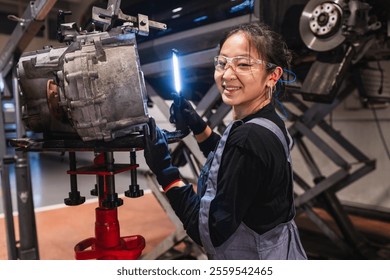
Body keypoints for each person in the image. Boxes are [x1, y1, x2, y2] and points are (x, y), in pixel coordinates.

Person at [143, 22, 307, 260]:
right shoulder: (268, 122)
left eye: (243, 64)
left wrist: (165, 171)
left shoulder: (249, 137)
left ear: (273, 75)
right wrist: (198, 125)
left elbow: (207, 233)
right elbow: (231, 160)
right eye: (222, 63)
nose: (227, 75)